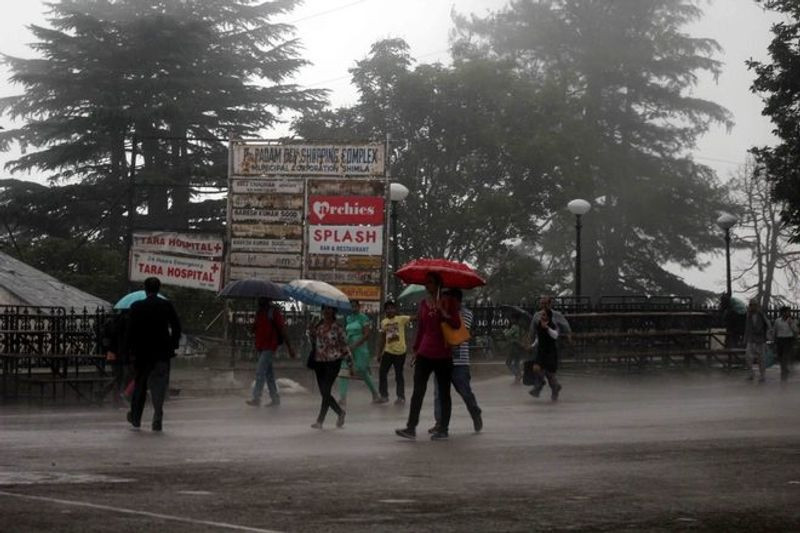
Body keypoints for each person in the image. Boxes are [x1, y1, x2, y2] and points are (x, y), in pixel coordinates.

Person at [395, 272, 460, 441]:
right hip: (424, 352)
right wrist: (416, 350)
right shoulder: (423, 304)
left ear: (438, 284)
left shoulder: (448, 301)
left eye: (430, 282)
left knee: (444, 393)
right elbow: (422, 329)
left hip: (443, 354)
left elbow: (456, 324)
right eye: (426, 282)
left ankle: (443, 428)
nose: (426, 285)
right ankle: (411, 427)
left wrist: (443, 312)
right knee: (418, 391)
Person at [125, 277, 182, 432]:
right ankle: (157, 415)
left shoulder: (136, 307)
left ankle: (136, 418)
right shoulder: (166, 305)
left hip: (142, 354)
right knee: (159, 386)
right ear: (158, 288)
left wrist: (128, 350)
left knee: (140, 385)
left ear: (145, 289)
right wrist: (173, 345)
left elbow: (130, 331)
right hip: (162, 353)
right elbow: (177, 326)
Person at [431, 288, 482, 434]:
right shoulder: (441, 312)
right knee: (439, 394)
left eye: (449, 300)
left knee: (464, 391)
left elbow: (459, 330)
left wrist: (445, 315)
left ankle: (475, 411)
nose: (446, 302)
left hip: (459, 362)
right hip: (441, 359)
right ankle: (440, 423)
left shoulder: (466, 313)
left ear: (457, 301)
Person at [246, 297, 296, 407]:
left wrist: (290, 347)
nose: (258, 300)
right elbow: (253, 329)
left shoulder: (273, 312)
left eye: (261, 298)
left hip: (270, 346)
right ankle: (275, 398)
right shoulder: (259, 312)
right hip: (260, 346)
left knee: (260, 371)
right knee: (269, 374)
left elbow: (282, 330)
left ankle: (256, 398)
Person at [309, 305, 352, 429]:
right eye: (325, 309)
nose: (327, 311)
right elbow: (314, 343)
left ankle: (320, 421)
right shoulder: (319, 326)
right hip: (319, 362)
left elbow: (344, 346)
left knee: (326, 391)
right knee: (324, 393)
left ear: (334, 311)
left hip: (333, 362)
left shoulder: (338, 328)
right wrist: (311, 333)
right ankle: (340, 412)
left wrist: (350, 363)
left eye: (329, 309)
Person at [527, 296, 571, 401]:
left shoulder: (556, 316)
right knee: (537, 369)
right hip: (541, 348)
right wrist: (531, 344)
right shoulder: (537, 316)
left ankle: (554, 389)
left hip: (552, 348)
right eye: (542, 303)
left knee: (550, 374)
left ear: (550, 304)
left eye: (545, 303)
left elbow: (565, 327)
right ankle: (541, 384)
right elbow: (534, 332)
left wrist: (569, 336)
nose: (543, 306)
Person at [338, 300, 380, 405]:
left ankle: (375, 394)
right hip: (349, 347)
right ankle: (342, 397)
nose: (353, 308)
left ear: (358, 307)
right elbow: (347, 332)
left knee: (362, 371)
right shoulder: (348, 318)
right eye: (351, 306)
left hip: (360, 348)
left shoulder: (363, 318)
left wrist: (355, 345)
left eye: (355, 306)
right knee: (343, 370)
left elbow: (366, 335)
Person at [377, 300, 413, 405]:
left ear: (395, 310)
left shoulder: (401, 319)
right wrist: (379, 353)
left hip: (400, 352)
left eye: (392, 308)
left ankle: (401, 397)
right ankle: (384, 396)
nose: (390, 310)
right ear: (385, 311)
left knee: (399, 375)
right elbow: (383, 339)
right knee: (382, 372)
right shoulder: (384, 322)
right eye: (388, 308)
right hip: (388, 352)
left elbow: (414, 318)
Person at [100, 309, 132, 408]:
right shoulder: (125, 320)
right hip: (121, 352)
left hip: (112, 351)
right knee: (120, 376)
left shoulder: (112, 320)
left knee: (118, 376)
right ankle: (106, 394)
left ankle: (114, 398)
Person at [744, 298, 772, 383]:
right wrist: (745, 338)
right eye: (751, 305)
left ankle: (762, 375)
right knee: (748, 357)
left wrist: (768, 333)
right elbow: (747, 327)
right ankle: (751, 373)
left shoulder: (761, 314)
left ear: (757, 306)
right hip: (751, 339)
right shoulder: (748, 315)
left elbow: (768, 324)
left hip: (760, 340)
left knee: (761, 359)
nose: (752, 307)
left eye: (754, 305)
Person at [773, 306, 797, 381]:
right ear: (782, 312)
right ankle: (784, 368)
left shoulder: (792, 320)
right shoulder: (777, 321)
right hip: (780, 339)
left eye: (789, 312)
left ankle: (784, 370)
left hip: (788, 339)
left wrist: (791, 324)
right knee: (780, 356)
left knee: (785, 356)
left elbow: (796, 330)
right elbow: (775, 330)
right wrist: (774, 339)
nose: (788, 313)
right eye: (786, 311)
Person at [503, 316, 529, 384]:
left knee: (508, 362)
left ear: (514, 319)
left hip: (514, 347)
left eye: (512, 318)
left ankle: (517, 375)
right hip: (521, 348)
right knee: (516, 363)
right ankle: (518, 378)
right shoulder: (522, 328)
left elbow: (507, 335)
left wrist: (505, 329)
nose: (511, 320)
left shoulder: (514, 327)